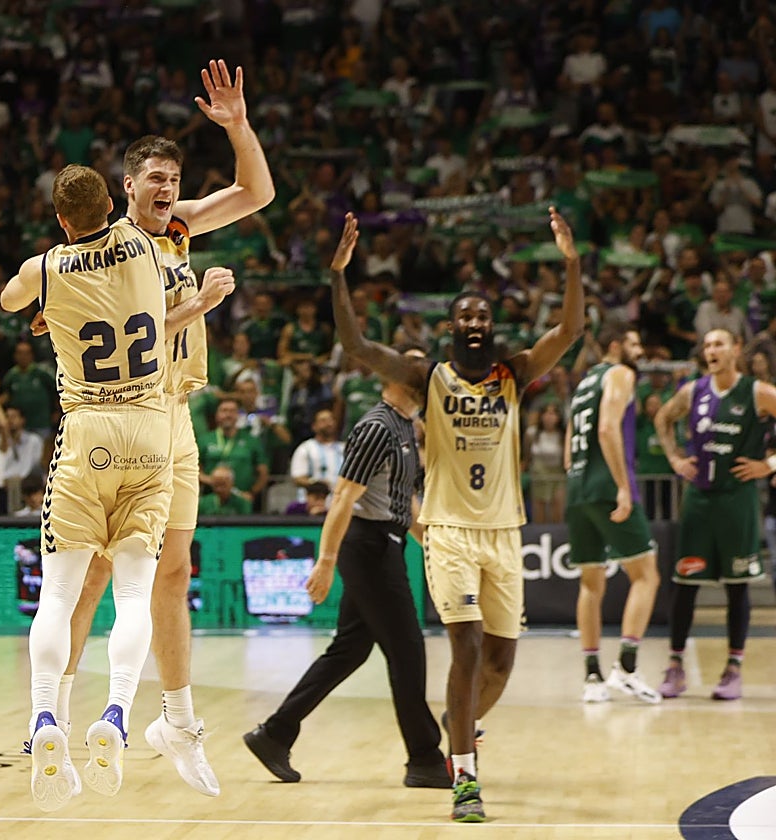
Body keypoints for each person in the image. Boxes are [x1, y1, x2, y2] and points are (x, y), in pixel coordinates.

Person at [60, 58, 274, 799]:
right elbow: (127, 327)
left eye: (175, 182)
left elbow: (256, 192)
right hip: (122, 417)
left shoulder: (180, 230)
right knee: (93, 572)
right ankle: (50, 715)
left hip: (175, 415)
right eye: (156, 180)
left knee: (173, 574)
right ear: (127, 186)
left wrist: (238, 125)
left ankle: (176, 722)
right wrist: (204, 307)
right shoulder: (111, 248)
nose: (168, 192)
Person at [330, 208, 584, 822]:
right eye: (465, 316)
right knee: (466, 649)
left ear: (491, 327)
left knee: (500, 663)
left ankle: (458, 724)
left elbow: (569, 330)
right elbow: (356, 346)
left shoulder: (514, 372)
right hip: (447, 531)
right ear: (451, 326)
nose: (475, 323)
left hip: (505, 531)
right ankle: (465, 775)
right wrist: (338, 275)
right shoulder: (427, 376)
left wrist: (572, 264)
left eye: (483, 317)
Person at [1, 164, 173, 811]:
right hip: (150, 430)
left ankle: (46, 720)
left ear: (59, 220)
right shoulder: (144, 241)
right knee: (133, 592)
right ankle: (118, 714)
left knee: (62, 593)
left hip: (88, 430)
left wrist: (53, 306)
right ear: (113, 201)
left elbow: (9, 302)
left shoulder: (44, 267)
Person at [244, 344, 452, 789]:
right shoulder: (376, 426)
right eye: (415, 365)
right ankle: (426, 760)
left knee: (349, 651)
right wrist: (325, 560)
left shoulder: (404, 427)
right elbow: (342, 496)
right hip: (368, 546)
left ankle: (275, 734)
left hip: (385, 542)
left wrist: (434, 545)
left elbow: (403, 504)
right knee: (408, 651)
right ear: (398, 376)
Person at [653, 328, 776, 701]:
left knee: (736, 586)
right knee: (685, 584)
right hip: (699, 500)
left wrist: (769, 464)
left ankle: (733, 668)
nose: (712, 350)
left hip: (736, 500)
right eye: (707, 345)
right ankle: (675, 666)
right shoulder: (693, 391)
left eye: (719, 344)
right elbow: (662, 418)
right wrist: (675, 458)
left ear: (736, 349)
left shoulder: (757, 391)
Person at [564, 326, 662, 705]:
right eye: (635, 344)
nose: (640, 351)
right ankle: (627, 666)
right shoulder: (621, 374)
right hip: (607, 484)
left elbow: (570, 445)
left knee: (590, 583)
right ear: (617, 346)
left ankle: (592, 677)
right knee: (647, 575)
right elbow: (607, 428)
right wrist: (623, 485)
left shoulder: (585, 382)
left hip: (577, 489)